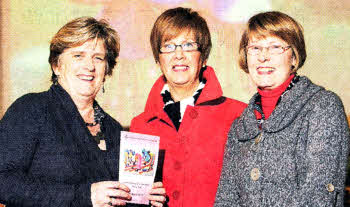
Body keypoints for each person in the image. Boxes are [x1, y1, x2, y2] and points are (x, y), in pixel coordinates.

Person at [0, 17, 165, 207]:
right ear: (57, 65)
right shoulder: (31, 109)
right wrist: (84, 196)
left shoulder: (115, 130)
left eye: (98, 58)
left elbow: (118, 199)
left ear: (107, 69)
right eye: (78, 56)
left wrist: (145, 199)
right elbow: (3, 180)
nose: (89, 66)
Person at [214, 11, 350, 206]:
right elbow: (226, 198)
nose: (263, 57)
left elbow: (318, 196)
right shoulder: (241, 126)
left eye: (275, 47)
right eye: (255, 48)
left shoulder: (323, 107)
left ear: (294, 57)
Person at [130, 7, 247, 207]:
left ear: (203, 57)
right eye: (168, 46)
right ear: (158, 58)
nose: (179, 55)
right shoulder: (140, 125)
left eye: (188, 45)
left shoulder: (238, 115)